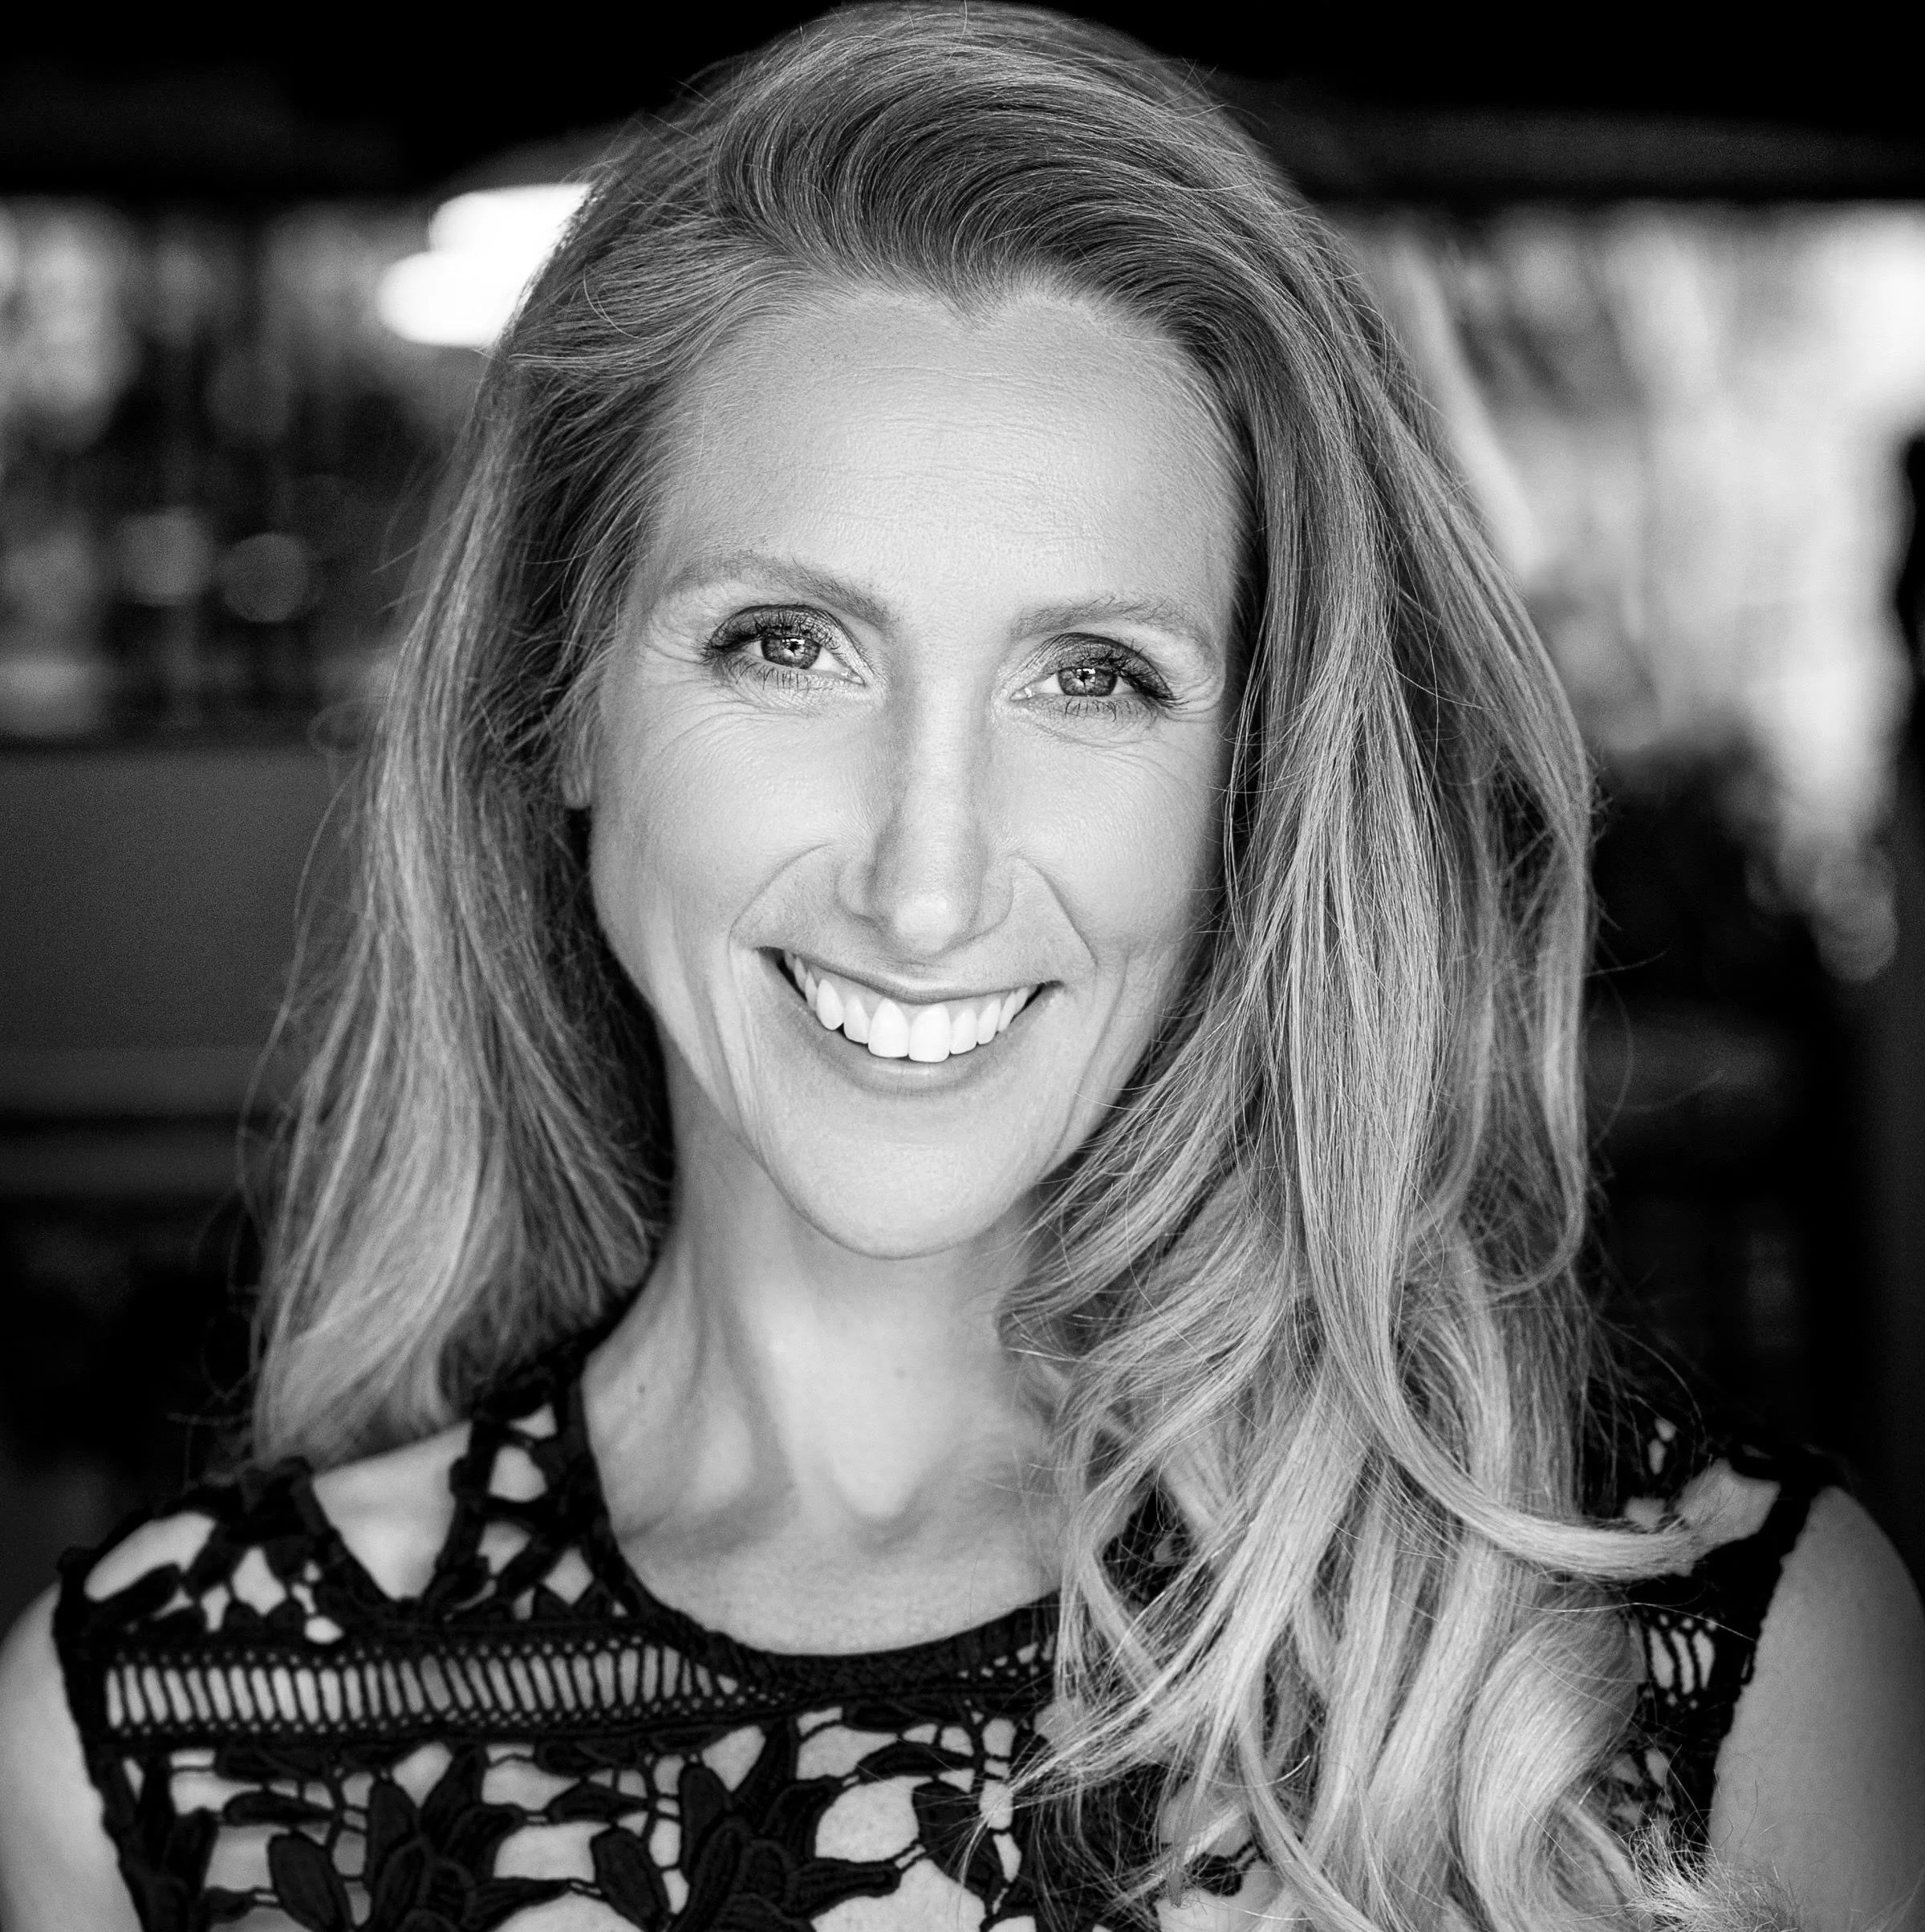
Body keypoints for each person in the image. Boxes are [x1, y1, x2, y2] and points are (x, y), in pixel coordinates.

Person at [2, 8, 1921, 1928]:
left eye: (1095, 678)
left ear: (1249, 782)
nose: (923, 887)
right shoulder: (154, 1751)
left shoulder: (1702, 1671)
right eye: (783, 645)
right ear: (557, 699)